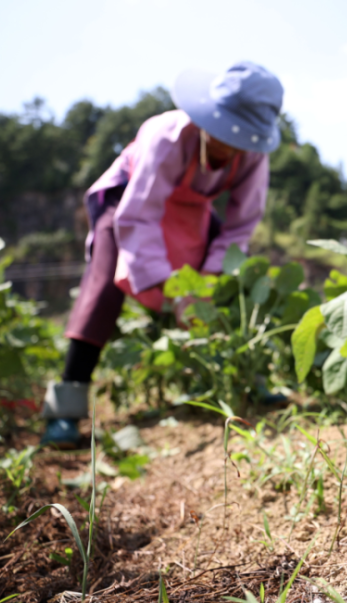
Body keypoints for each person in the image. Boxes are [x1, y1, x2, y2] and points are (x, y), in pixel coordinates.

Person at [40, 61, 284, 448]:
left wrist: (205, 284)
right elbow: (139, 215)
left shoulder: (252, 153)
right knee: (104, 283)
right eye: (221, 134)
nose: (228, 146)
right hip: (128, 202)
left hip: (191, 210)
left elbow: (240, 227)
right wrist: (177, 288)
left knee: (234, 281)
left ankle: (248, 377)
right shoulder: (166, 137)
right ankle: (64, 409)